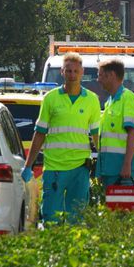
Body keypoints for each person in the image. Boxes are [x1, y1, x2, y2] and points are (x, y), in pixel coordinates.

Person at [24, 52, 100, 223]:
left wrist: (102, 160)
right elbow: (40, 133)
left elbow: (96, 135)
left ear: (82, 72)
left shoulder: (92, 100)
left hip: (80, 168)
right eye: (69, 71)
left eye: (75, 71)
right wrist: (28, 165)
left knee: (77, 218)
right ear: (62, 72)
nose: (72, 75)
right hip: (54, 167)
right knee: (50, 217)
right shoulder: (51, 99)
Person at [96, 58, 134, 186]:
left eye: (100, 75)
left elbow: (133, 133)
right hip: (112, 170)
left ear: (111, 75)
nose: (98, 80)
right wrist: (101, 170)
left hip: (124, 172)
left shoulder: (127, 98)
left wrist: (127, 164)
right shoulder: (110, 102)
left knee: (123, 205)